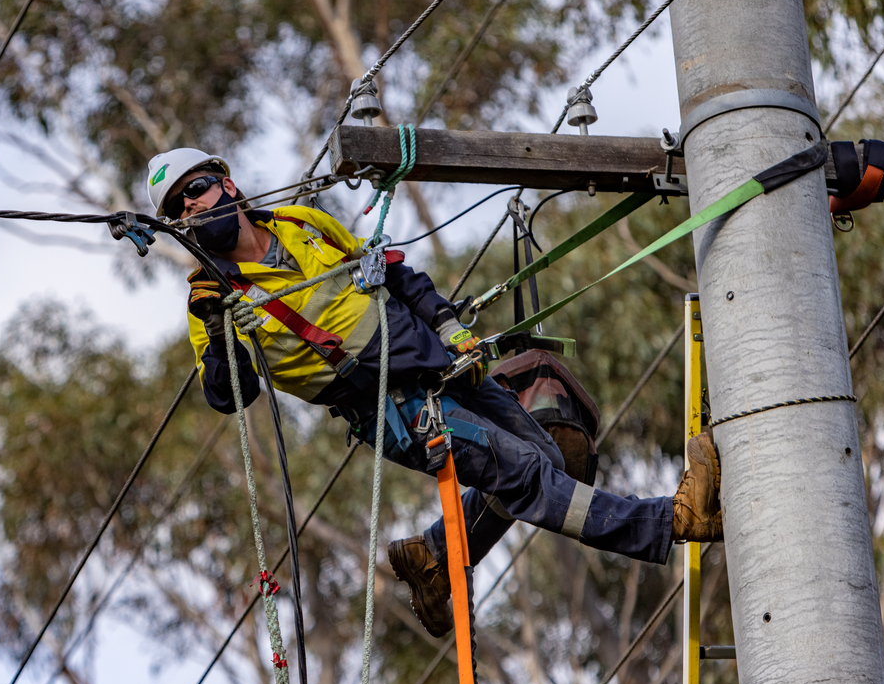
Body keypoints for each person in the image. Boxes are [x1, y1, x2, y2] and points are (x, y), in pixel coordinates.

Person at [145, 147, 722, 637]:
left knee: (545, 457)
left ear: (227, 184)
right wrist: (218, 326)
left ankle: (432, 554)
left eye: (194, 189)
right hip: (393, 408)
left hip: (439, 363)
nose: (191, 206)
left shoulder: (300, 222)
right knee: (524, 473)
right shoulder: (211, 301)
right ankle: (670, 521)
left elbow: (393, 273)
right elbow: (230, 395)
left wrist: (450, 328)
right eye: (177, 209)